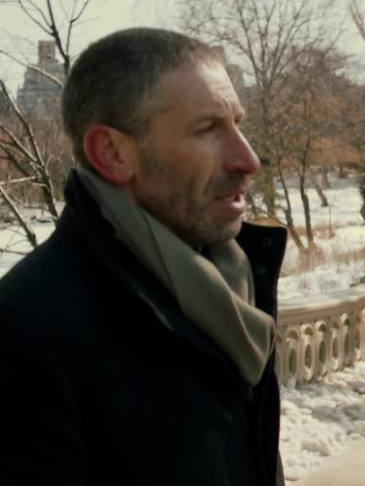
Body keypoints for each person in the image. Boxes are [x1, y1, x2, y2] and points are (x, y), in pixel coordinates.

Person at [0, 28, 286, 485]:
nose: (247, 159)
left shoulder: (236, 288)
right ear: (113, 153)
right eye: (208, 129)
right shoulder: (26, 333)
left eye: (238, 123)